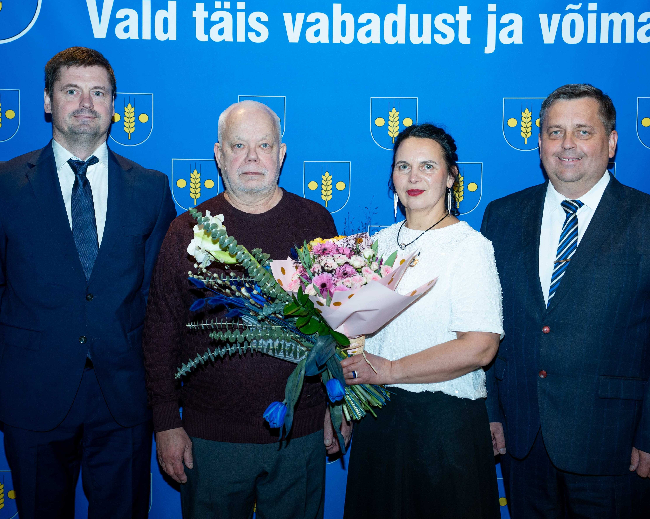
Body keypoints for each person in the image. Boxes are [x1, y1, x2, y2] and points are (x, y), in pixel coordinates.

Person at [143, 100, 346, 519]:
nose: (252, 157)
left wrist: (339, 404)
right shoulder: (187, 230)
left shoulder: (316, 222)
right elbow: (160, 333)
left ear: (281, 154)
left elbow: (339, 325)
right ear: (219, 155)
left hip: (301, 435)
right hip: (210, 441)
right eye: (238, 145)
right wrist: (165, 421)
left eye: (264, 145)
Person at [0, 47, 176, 518]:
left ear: (114, 105)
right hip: (32, 395)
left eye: (98, 93)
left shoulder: (151, 188)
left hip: (123, 398)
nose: (85, 103)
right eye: (71, 91)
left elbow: (159, 300)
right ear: (47, 101)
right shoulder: (6, 185)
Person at [481, 83, 650, 518]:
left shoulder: (645, 219)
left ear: (611, 142)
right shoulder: (502, 215)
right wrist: (492, 412)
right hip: (522, 440)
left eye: (583, 131)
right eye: (555, 132)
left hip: (614, 445)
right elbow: (487, 323)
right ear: (539, 143)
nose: (567, 144)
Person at [341, 123, 503, 519]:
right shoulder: (376, 244)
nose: (413, 177)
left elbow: (480, 347)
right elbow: (354, 333)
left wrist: (391, 369)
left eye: (428, 166)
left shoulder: (470, 248)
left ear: (450, 177)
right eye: (403, 166)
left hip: (443, 430)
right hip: (377, 419)